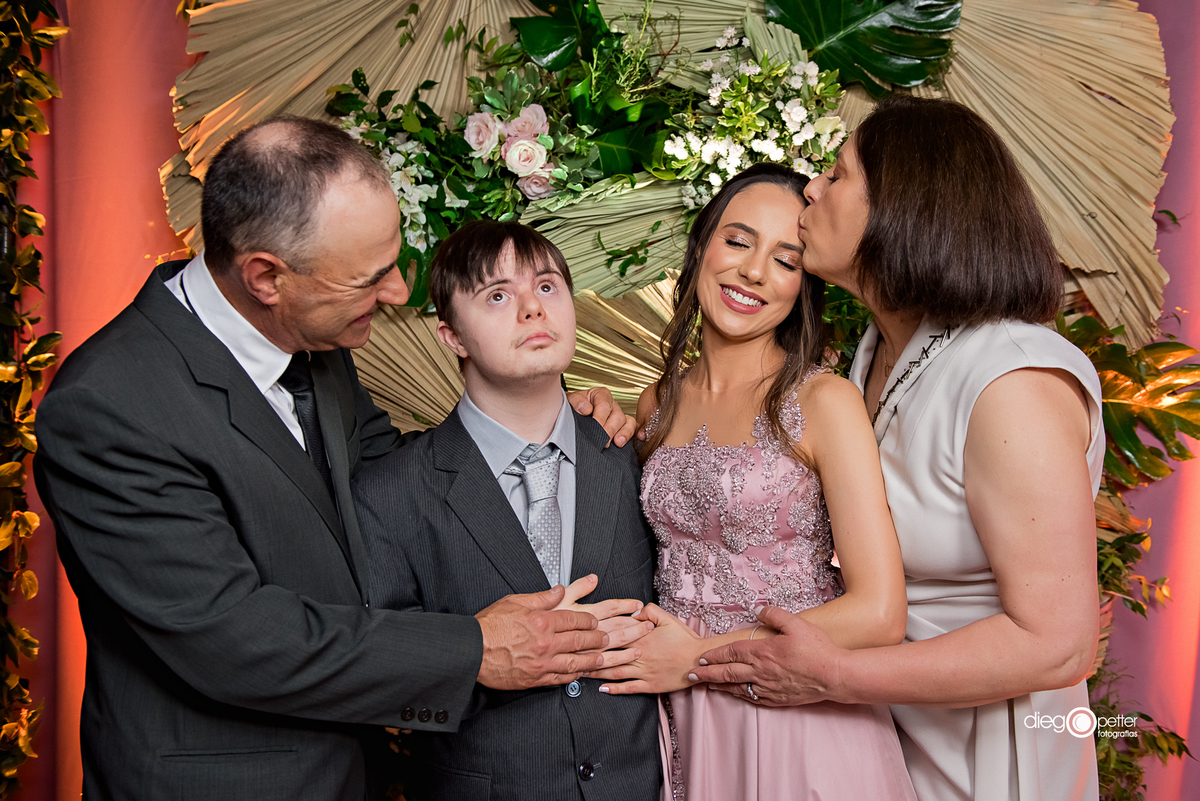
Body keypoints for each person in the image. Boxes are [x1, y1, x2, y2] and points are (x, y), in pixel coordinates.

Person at [33, 116, 636, 800]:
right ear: (267, 277)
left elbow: (405, 478)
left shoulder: (313, 343)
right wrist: (476, 650)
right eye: (370, 278)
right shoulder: (110, 407)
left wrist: (550, 432)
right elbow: (235, 638)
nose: (398, 294)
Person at [690, 96, 1104, 800]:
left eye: (837, 174)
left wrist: (837, 675)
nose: (810, 190)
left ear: (905, 207)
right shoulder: (877, 351)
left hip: (994, 758)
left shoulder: (1012, 379)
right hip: (881, 738)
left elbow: (1058, 642)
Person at [593, 163, 917, 799]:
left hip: (797, 717)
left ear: (803, 285)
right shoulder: (655, 403)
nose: (753, 272)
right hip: (683, 718)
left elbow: (879, 614)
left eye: (786, 259)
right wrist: (578, 410)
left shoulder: (824, 400)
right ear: (702, 247)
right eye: (738, 241)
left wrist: (699, 658)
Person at [352, 220, 661, 801]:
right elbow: (378, 678)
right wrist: (483, 660)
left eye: (547, 287)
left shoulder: (635, 455)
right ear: (452, 337)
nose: (532, 310)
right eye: (497, 295)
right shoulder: (391, 490)